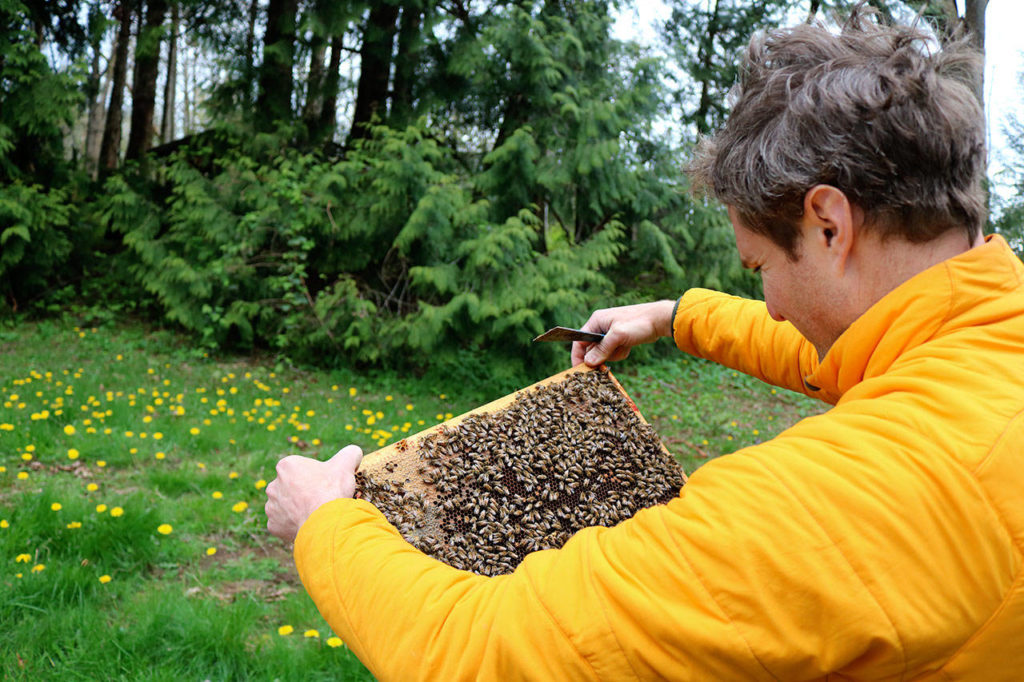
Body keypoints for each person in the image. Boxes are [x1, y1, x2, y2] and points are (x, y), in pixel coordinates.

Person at [265, 7, 1024, 680]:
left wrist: (325, 523)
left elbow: (483, 654)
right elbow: (842, 353)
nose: (773, 304)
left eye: (760, 266)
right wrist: (672, 315)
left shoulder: (835, 506)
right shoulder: (988, 339)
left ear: (830, 224)